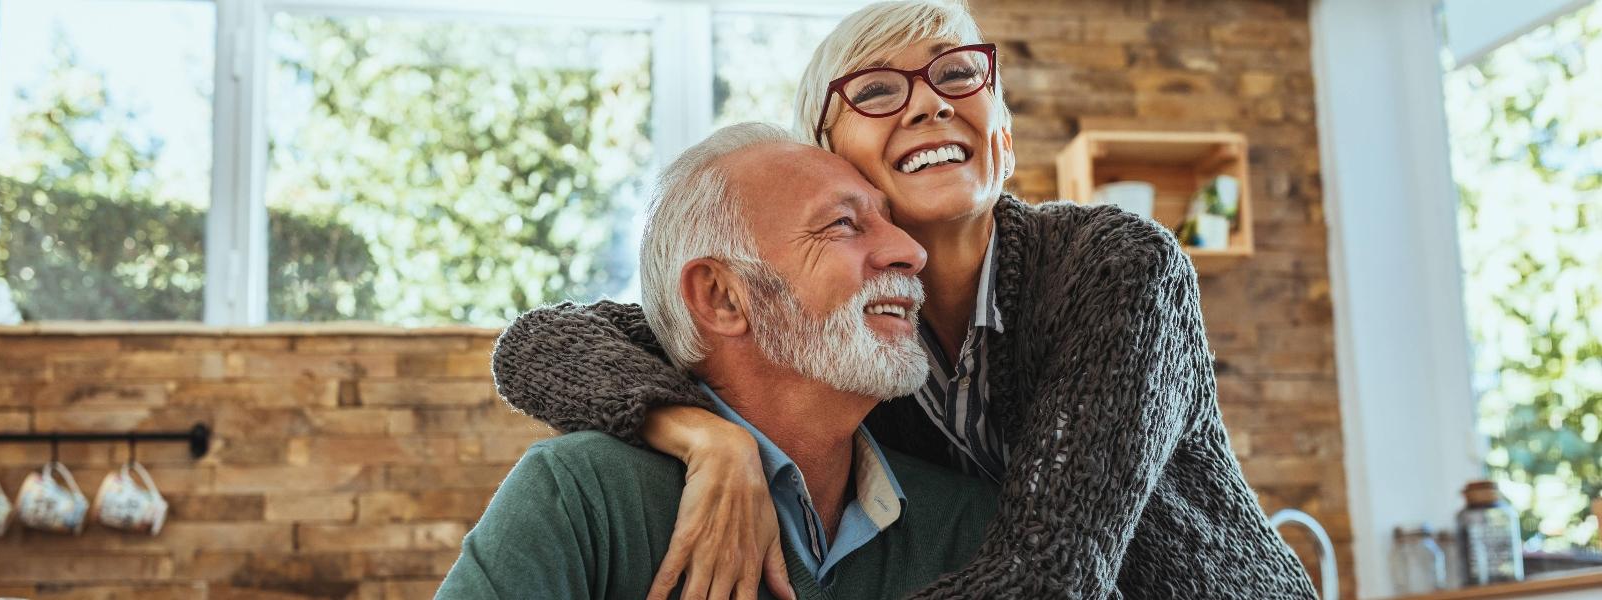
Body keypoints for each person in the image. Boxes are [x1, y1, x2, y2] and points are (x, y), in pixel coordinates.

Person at [488, 1, 1317, 598]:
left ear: (1002, 136)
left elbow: (1049, 579)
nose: (930, 100)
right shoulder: (842, 331)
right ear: (828, 156)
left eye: (958, 74)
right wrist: (709, 438)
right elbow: (541, 345)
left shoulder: (1116, 267)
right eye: (879, 91)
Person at [438, 123, 1000, 600]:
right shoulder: (583, 497)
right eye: (842, 224)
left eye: (889, 220)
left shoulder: (969, 525)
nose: (911, 252)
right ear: (722, 297)